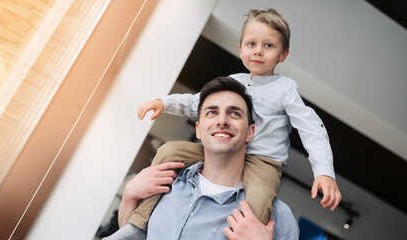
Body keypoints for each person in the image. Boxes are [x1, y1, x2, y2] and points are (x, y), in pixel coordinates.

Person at [132, 8, 342, 230]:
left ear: (283, 54)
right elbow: (197, 102)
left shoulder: (285, 89)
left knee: (259, 199)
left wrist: (324, 173)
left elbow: (312, 129)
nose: (258, 51)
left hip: (263, 162)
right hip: (224, 149)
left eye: (268, 46)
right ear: (241, 48)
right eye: (252, 44)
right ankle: (139, 223)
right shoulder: (234, 82)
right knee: (168, 151)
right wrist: (165, 102)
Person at [105, 77, 299, 240]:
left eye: (235, 113)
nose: (222, 120)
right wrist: (130, 196)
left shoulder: (279, 217)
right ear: (198, 129)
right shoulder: (161, 181)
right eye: (212, 112)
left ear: (250, 132)